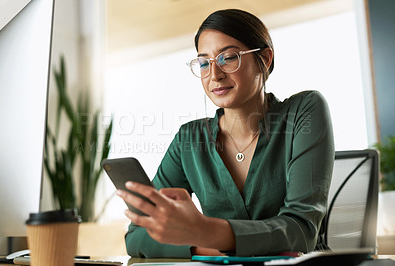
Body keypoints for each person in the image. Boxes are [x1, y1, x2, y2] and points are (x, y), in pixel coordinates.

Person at [116, 9, 335, 258]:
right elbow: (137, 235)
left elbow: (301, 232)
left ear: (265, 59)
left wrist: (204, 230)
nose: (214, 75)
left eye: (228, 58)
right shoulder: (190, 139)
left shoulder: (303, 112)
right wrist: (205, 246)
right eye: (203, 63)